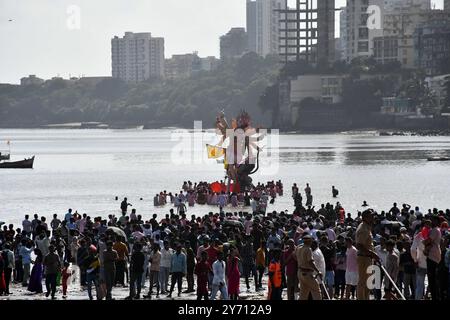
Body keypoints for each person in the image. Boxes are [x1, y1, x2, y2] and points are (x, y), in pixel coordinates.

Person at [355, 210, 379, 300]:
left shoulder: (367, 227)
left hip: (368, 258)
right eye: (371, 216)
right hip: (363, 258)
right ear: (365, 218)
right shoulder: (363, 229)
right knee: (363, 282)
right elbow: (359, 245)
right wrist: (372, 253)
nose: (373, 218)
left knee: (368, 283)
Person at [296, 234, 322, 300]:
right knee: (316, 291)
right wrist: (318, 271)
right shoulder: (308, 249)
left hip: (300, 272)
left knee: (303, 294)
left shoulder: (299, 248)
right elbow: (310, 262)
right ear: (309, 241)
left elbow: (295, 256)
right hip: (307, 273)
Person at [423, 215, 442, 300]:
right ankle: (435, 296)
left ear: (437, 222)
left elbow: (428, 241)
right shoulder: (433, 230)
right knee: (432, 279)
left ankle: (435, 297)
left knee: (432, 279)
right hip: (433, 255)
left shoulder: (435, 230)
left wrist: (423, 242)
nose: (431, 222)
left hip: (433, 256)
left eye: (433, 220)